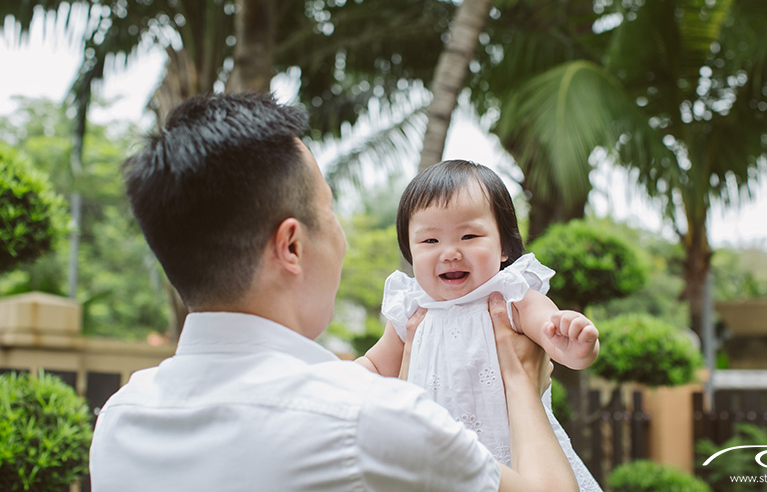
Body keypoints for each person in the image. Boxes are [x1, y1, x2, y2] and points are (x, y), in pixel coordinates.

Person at [89, 92, 579, 492]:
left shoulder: (120, 420)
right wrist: (519, 379)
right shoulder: (365, 417)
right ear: (292, 245)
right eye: (330, 213)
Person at [355, 160, 602, 490]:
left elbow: (554, 336)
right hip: (441, 470)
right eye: (430, 241)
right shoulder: (412, 309)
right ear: (410, 251)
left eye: (469, 235)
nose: (450, 252)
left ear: (504, 248)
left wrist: (576, 345)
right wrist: (338, 378)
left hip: (521, 464)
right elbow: (373, 365)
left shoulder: (510, 295)